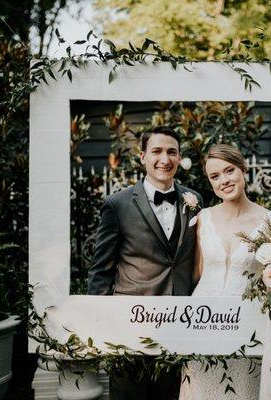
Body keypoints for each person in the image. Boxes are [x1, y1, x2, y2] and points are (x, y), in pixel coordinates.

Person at [87, 125, 202, 400]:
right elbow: (101, 270)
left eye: (172, 152)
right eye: (157, 151)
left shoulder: (194, 199)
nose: (165, 159)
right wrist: (101, 324)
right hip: (131, 324)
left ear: (179, 157)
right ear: (142, 157)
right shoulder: (117, 204)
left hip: (179, 322)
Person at [179, 144, 271, 400]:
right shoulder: (202, 218)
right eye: (215, 177)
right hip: (202, 321)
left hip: (248, 325)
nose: (224, 180)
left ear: (243, 169)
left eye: (229, 171)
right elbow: (195, 274)